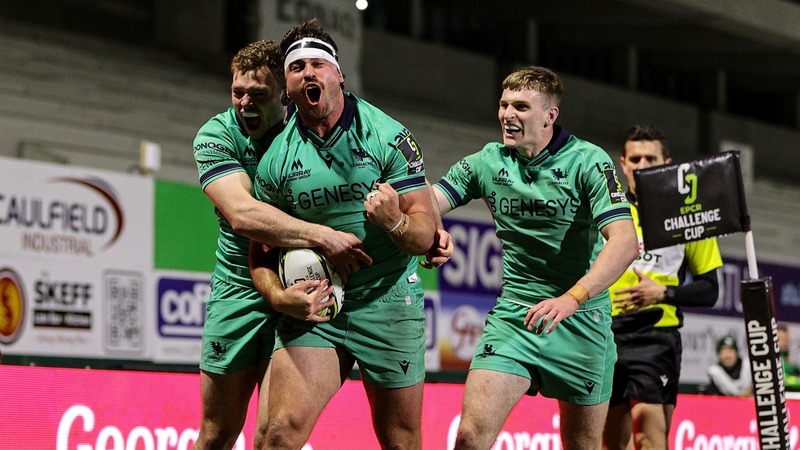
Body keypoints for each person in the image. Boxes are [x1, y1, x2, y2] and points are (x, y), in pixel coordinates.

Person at [249, 19, 446, 450]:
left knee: (401, 440)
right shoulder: (276, 161)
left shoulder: (389, 137)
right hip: (317, 304)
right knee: (279, 433)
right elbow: (260, 252)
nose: (308, 73)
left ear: (338, 73)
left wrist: (394, 221)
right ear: (288, 86)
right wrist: (280, 298)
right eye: (297, 68)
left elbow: (424, 235)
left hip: (389, 299)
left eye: (318, 63)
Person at [430, 65, 639, 450]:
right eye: (504, 104)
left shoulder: (588, 161)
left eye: (521, 107)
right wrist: (425, 231)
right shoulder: (486, 161)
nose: (508, 114)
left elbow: (625, 243)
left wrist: (572, 298)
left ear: (550, 116)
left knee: (583, 445)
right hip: (516, 317)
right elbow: (428, 203)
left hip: (582, 322)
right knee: (470, 436)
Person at [191, 39, 373, 450]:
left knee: (273, 436)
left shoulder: (311, 132)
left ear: (285, 96)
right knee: (216, 434)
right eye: (237, 92)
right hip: (238, 291)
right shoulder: (216, 134)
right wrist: (322, 236)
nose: (243, 103)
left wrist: (430, 232)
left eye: (257, 95)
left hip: (302, 288)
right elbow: (244, 216)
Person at [603, 125, 724, 450]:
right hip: (604, 335)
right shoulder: (606, 213)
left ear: (665, 163)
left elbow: (711, 290)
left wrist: (664, 293)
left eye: (651, 158)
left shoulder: (686, 217)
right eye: (636, 158)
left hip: (656, 337)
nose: (643, 165)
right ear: (624, 164)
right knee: (611, 443)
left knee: (649, 434)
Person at [777, 323, 800, 391]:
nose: (785, 341)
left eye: (786, 338)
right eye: (781, 339)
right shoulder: (774, 361)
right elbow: (783, 379)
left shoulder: (792, 358)